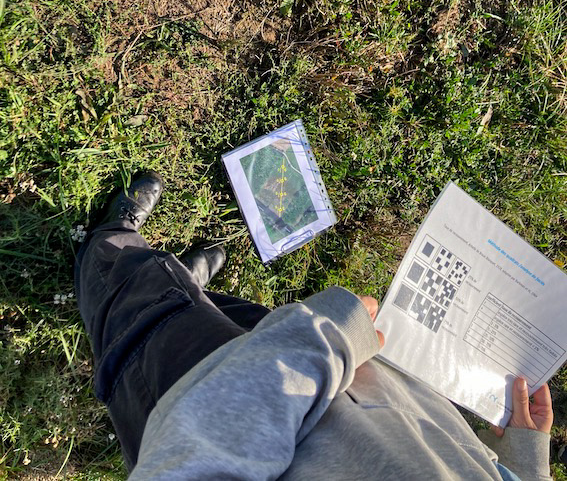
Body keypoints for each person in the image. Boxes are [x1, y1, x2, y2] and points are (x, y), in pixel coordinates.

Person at [75, 172, 554, 480]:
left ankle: (109, 246)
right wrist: (527, 464)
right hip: (335, 374)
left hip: (238, 403)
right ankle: (188, 289)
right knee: (229, 319)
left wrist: (328, 338)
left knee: (142, 313)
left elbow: (190, 467)